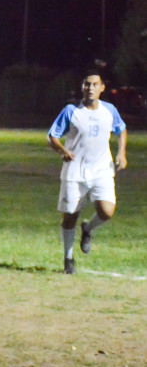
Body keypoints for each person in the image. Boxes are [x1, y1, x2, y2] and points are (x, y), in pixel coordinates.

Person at [47, 70, 128, 275]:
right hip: (75, 172)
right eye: (86, 84)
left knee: (106, 212)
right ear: (82, 88)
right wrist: (63, 151)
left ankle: (88, 230)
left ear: (102, 88)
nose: (90, 88)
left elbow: (121, 129)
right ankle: (68, 259)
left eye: (94, 85)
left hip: (102, 170)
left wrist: (122, 153)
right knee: (70, 217)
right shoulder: (71, 111)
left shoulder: (109, 110)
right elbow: (52, 136)